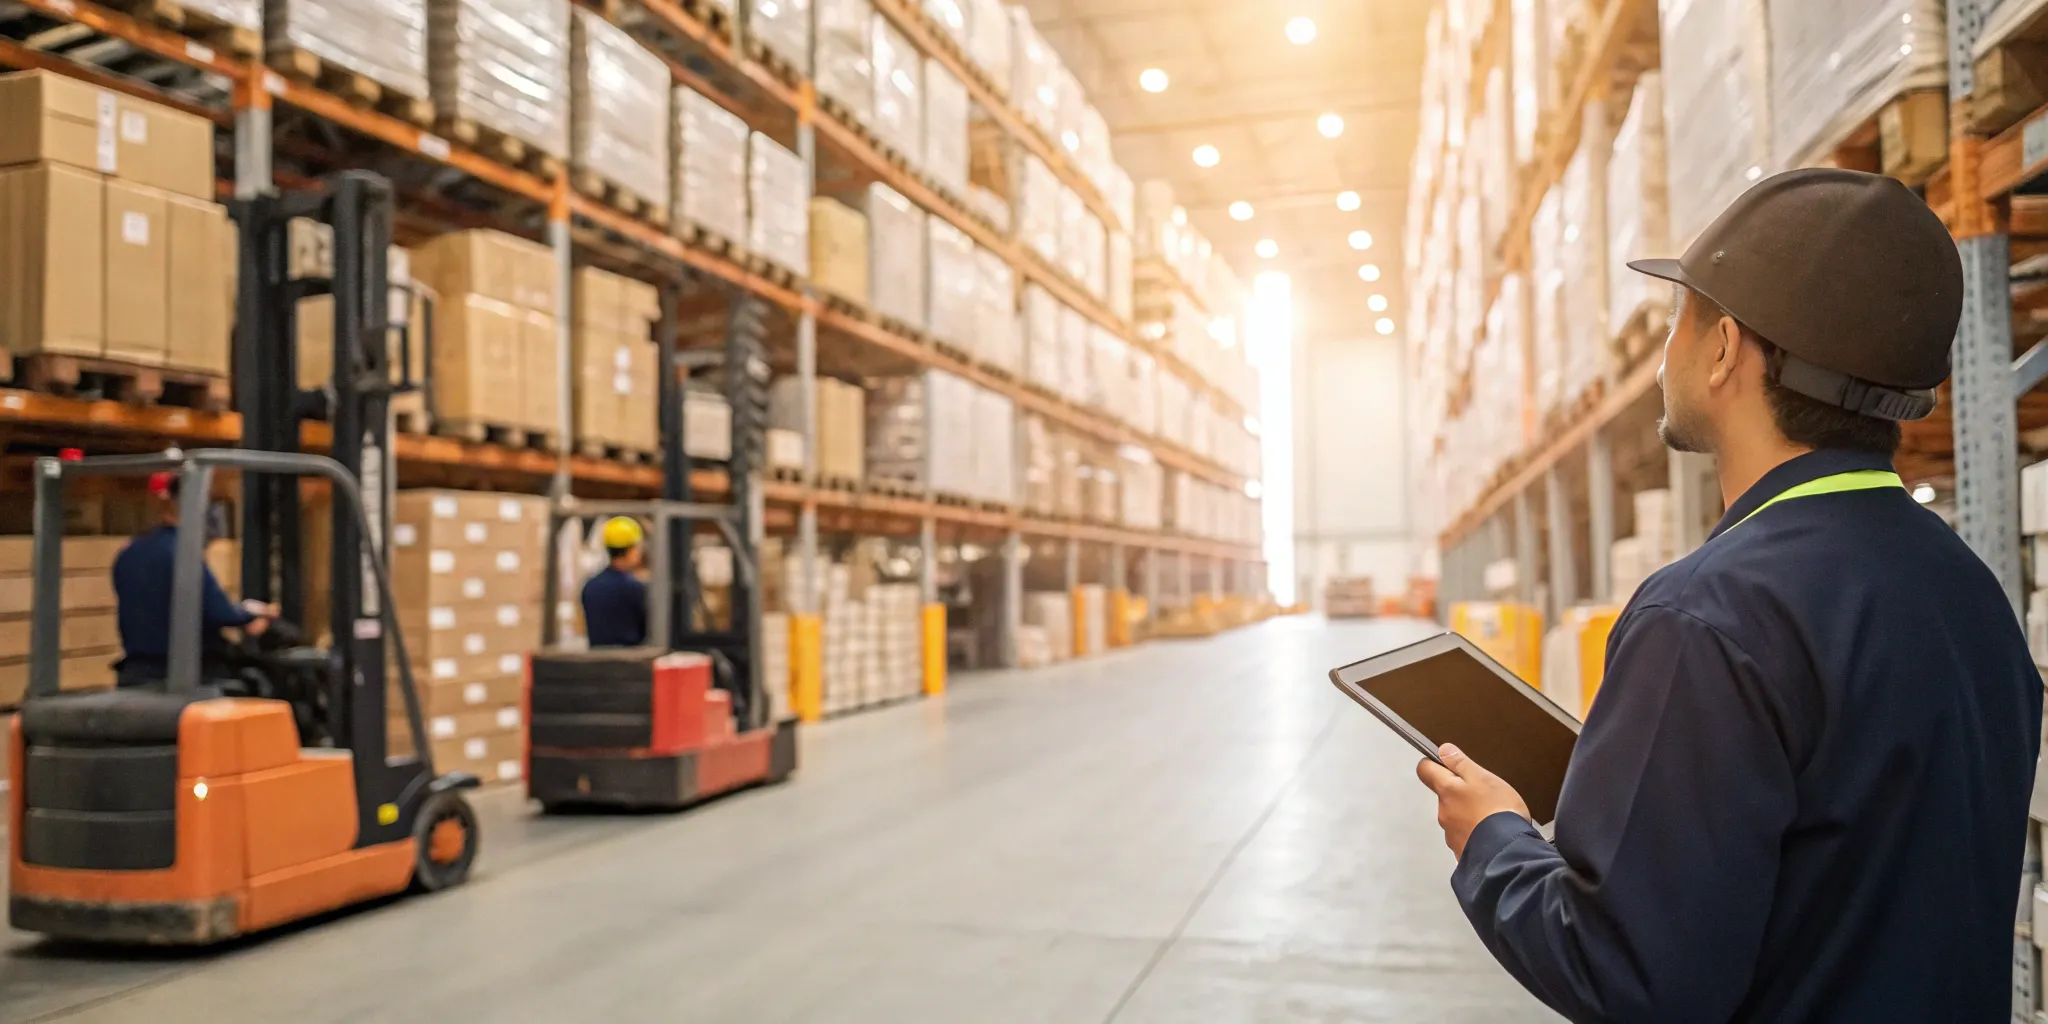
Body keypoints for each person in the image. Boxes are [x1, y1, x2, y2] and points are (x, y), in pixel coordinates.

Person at [1418, 168, 2042, 1022]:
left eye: (1682, 315)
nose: (1668, 344)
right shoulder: (1968, 589)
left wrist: (1491, 839)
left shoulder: (1706, 617)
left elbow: (1632, 977)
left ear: (1723, 349)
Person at [111, 472, 276, 687]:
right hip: (186, 673)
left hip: (136, 670)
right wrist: (252, 613)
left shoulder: (127, 554)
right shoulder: (183, 553)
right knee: (261, 682)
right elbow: (219, 612)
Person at [582, 516, 648, 648]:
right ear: (631, 550)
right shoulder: (633, 587)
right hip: (631, 662)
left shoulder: (590, 586)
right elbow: (645, 629)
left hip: (596, 661)